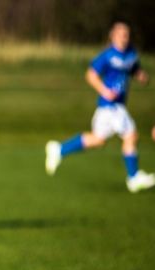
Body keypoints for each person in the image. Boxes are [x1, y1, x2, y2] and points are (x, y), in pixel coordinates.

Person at [45, 21, 153, 193]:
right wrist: (104, 90)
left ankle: (59, 149)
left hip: (115, 106)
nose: (125, 38)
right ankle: (133, 177)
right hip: (111, 105)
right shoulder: (107, 56)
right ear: (113, 36)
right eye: (121, 34)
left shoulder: (131, 54)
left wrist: (141, 76)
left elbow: (134, 69)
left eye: (127, 34)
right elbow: (90, 75)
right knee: (131, 135)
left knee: (98, 140)